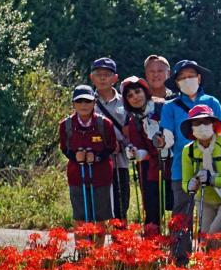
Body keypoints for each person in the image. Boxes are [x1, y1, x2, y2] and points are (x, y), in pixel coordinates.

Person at [159, 60, 221, 258]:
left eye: (191, 76)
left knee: (213, 217)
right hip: (182, 169)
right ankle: (180, 262)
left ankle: (213, 262)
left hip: (213, 169)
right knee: (182, 218)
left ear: (199, 78)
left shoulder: (212, 102)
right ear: (176, 82)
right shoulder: (170, 107)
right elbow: (167, 136)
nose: (187, 80)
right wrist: (161, 141)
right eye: (181, 77)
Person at [58, 85, 117, 241]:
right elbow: (64, 148)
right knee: (80, 216)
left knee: (100, 216)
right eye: (80, 101)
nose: (84, 105)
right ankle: (83, 254)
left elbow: (111, 147)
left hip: (101, 177)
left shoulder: (104, 124)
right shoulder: (66, 125)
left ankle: (97, 255)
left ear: (94, 103)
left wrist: (96, 157)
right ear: (73, 104)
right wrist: (74, 156)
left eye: (88, 101)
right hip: (77, 176)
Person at [180, 105, 221, 244]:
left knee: (216, 235)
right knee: (204, 240)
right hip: (203, 201)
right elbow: (185, 183)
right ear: (191, 127)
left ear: (213, 124)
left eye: (206, 121)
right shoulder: (188, 151)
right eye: (197, 123)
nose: (202, 126)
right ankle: (212, 265)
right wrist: (190, 185)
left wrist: (213, 180)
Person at [121, 75, 173, 234]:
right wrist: (134, 152)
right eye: (130, 95)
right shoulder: (133, 120)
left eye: (138, 92)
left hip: (173, 165)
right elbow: (140, 148)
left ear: (145, 91)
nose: (135, 97)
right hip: (151, 170)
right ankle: (152, 251)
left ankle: (178, 249)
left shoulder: (164, 107)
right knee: (152, 211)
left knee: (177, 210)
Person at [89, 57, 130, 222]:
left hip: (119, 162)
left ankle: (120, 246)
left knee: (120, 208)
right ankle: (94, 247)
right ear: (92, 77)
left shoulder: (126, 102)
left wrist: (122, 145)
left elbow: (131, 132)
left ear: (115, 78)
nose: (103, 78)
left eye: (107, 74)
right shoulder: (86, 101)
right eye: (98, 74)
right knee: (95, 209)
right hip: (95, 162)